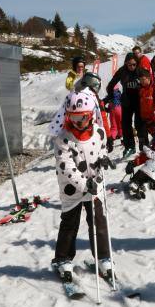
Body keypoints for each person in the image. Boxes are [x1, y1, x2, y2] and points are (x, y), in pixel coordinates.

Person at [51, 90, 112, 284]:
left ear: (91, 114)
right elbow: (66, 166)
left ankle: (103, 257)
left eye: (82, 117)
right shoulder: (63, 138)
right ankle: (62, 258)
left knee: (99, 223)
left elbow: (101, 149)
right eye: (73, 117)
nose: (78, 122)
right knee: (70, 224)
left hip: (95, 184)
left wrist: (103, 160)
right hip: (73, 188)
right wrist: (85, 184)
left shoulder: (99, 132)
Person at [106, 52, 140, 157]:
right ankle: (129, 146)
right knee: (125, 126)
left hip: (139, 101)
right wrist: (111, 97)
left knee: (140, 125)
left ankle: (144, 147)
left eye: (134, 64)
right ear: (125, 63)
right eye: (129, 64)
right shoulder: (122, 71)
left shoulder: (140, 70)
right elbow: (110, 85)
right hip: (127, 101)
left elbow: (149, 82)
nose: (132, 67)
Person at [137, 66, 155, 143]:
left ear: (148, 78)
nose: (141, 81)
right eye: (140, 80)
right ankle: (148, 148)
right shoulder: (141, 89)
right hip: (146, 117)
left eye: (143, 79)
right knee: (146, 133)